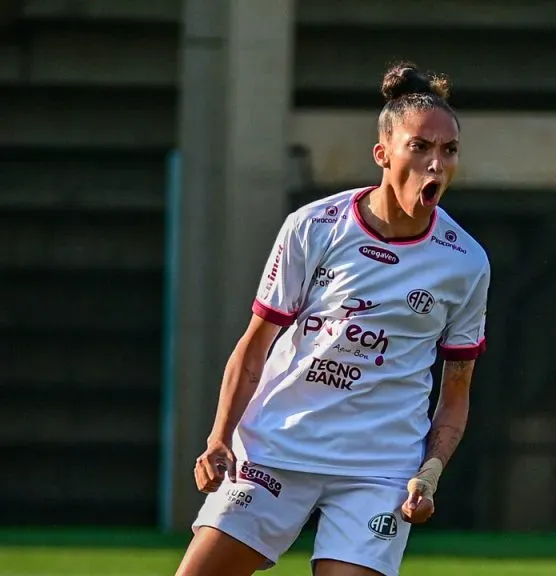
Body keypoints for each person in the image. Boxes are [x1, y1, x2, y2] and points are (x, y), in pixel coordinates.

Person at [174, 62, 490, 576]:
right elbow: (255, 345)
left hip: (379, 469)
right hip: (279, 446)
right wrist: (218, 438)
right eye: (420, 147)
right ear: (383, 154)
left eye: (448, 150)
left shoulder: (465, 261)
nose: (436, 164)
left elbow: (456, 388)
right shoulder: (313, 227)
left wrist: (430, 472)